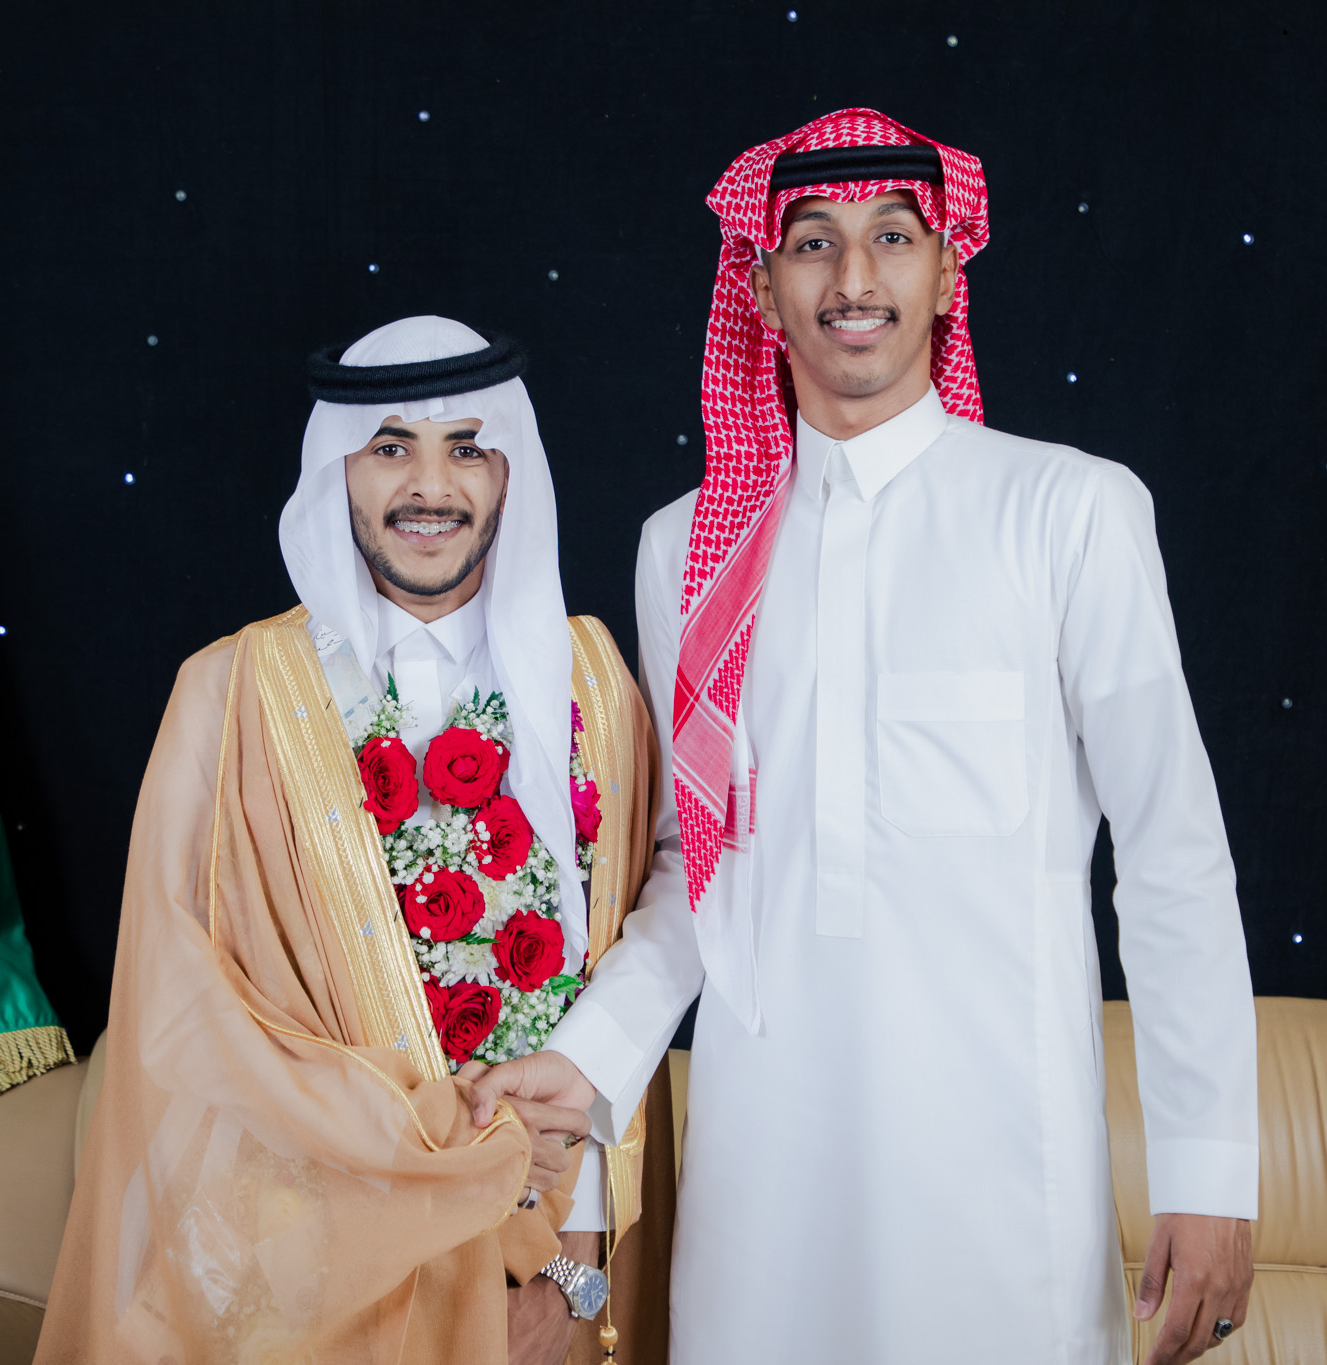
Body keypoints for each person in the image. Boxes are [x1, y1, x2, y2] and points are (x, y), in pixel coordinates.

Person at [468, 111, 1259, 1364]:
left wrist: (1207, 1174)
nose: (853, 278)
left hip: (1002, 1184)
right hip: (763, 1194)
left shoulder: (1066, 512)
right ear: (760, 290)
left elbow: (1171, 857)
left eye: (893, 238)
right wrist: (589, 1061)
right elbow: (697, 873)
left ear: (946, 276)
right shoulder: (686, 551)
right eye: (811, 244)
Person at [37, 317, 674, 1365]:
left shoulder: (595, 686)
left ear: (509, 472)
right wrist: (432, 1152)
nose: (430, 486)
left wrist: (568, 1279)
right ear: (337, 470)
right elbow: (182, 1008)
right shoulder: (230, 693)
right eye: (389, 448)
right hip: (303, 1268)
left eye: (466, 447)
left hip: (543, 1264)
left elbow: (612, 995)